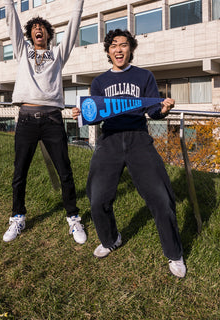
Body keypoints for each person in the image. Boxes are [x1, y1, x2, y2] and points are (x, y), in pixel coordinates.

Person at [72, 29, 186, 278]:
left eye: (124, 45)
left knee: (161, 198)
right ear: (108, 51)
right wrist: (81, 114)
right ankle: (111, 239)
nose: (119, 50)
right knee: (97, 198)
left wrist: (164, 109)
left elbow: (153, 110)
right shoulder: (99, 82)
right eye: (114, 46)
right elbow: (94, 117)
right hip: (109, 140)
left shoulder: (144, 76)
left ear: (131, 49)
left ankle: (174, 253)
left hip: (138, 139)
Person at [0, 0, 87, 245]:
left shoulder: (58, 54)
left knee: (65, 171)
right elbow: (11, 13)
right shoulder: (23, 51)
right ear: (29, 34)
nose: (38, 30)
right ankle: (17, 217)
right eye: (34, 28)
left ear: (48, 34)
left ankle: (73, 218)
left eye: (43, 28)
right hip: (25, 119)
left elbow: (73, 27)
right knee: (19, 172)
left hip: (51, 120)